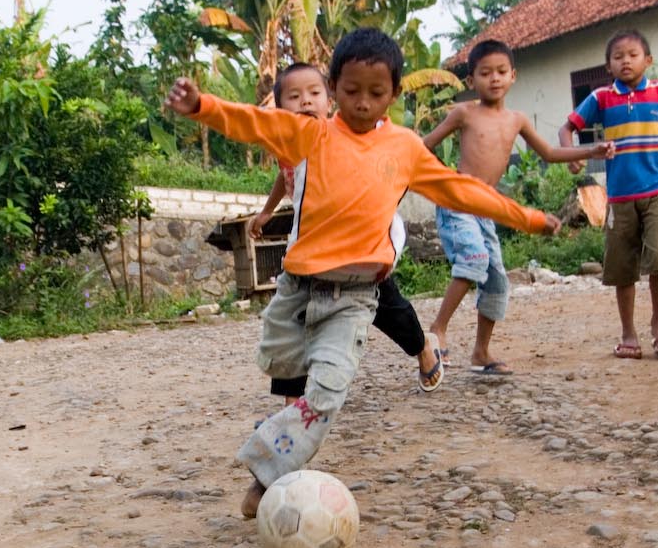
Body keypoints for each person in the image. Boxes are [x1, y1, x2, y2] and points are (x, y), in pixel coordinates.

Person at [165, 28, 560, 518]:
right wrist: (203, 105)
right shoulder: (311, 133)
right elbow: (253, 123)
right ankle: (282, 456)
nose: (363, 103)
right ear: (333, 88)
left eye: (377, 93)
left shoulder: (406, 148)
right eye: (351, 92)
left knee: (327, 392)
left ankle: (267, 475)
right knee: (282, 373)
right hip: (296, 291)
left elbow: (463, 191)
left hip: (354, 297)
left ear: (394, 94)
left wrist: (530, 217)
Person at [251, 62, 444, 396]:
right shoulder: (287, 144)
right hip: (308, 252)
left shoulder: (346, 139)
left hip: (360, 253)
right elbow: (285, 178)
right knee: (292, 318)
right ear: (280, 107)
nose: (306, 102)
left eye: (314, 94)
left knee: (389, 310)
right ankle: (292, 408)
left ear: (330, 101)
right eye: (294, 96)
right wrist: (267, 212)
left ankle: (423, 347)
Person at [422, 39, 613, 375]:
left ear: (513, 76)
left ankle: (481, 352)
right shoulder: (463, 113)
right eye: (485, 73)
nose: (494, 79)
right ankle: (438, 328)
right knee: (474, 259)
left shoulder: (517, 120)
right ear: (471, 81)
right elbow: (422, 147)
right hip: (456, 201)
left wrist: (591, 151)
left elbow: (550, 154)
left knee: (496, 280)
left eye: (500, 72)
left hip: (488, 208)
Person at [558, 27, 658, 359]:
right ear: (608, 66)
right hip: (621, 198)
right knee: (623, 267)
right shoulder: (600, 98)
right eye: (618, 57)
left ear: (648, 60)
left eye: (633, 55)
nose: (626, 61)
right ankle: (628, 333)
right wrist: (574, 157)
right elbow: (567, 128)